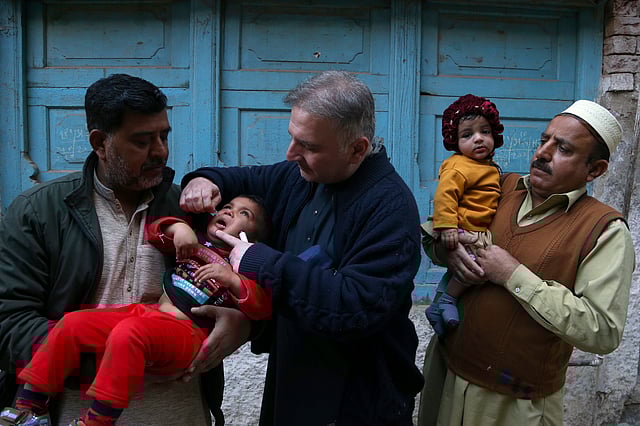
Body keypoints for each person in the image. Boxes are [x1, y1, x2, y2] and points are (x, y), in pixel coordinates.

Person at [179, 70, 425, 425]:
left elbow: (355, 306)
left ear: (357, 149)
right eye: (293, 138)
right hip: (292, 386)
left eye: (309, 146)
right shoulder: (302, 176)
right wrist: (205, 180)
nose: (291, 153)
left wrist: (259, 262)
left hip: (357, 402)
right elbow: (243, 178)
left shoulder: (389, 208)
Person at [0, 74, 246, 425]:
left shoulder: (189, 210)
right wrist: (126, 356)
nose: (160, 151)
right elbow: (10, 325)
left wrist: (241, 327)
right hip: (72, 414)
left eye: (164, 136)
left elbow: (252, 278)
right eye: (142, 141)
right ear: (100, 143)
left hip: (180, 416)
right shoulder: (39, 211)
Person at [418, 99, 635, 426]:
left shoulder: (604, 230)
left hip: (514, 404)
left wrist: (512, 274)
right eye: (544, 140)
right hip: (447, 374)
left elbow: (602, 331)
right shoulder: (499, 185)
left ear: (595, 170)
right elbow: (433, 237)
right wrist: (449, 251)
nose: (543, 153)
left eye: (563, 148)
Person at [5, 196, 270, 426]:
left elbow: (262, 306)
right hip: (150, 314)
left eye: (244, 213)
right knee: (73, 323)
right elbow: (155, 231)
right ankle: (29, 408)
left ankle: (98, 420)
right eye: (227, 207)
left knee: (129, 333)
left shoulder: (246, 266)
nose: (229, 212)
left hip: (188, 332)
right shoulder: (196, 241)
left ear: (254, 239)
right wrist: (178, 228)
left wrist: (234, 280)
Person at [425, 94, 503, 334]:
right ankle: (448, 300)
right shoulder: (458, 166)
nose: (478, 138)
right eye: (467, 135)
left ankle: (437, 305)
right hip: (463, 228)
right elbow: (445, 195)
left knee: (458, 269)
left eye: (485, 132)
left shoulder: (487, 167)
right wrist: (447, 227)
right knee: (475, 268)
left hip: (476, 228)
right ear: (455, 142)